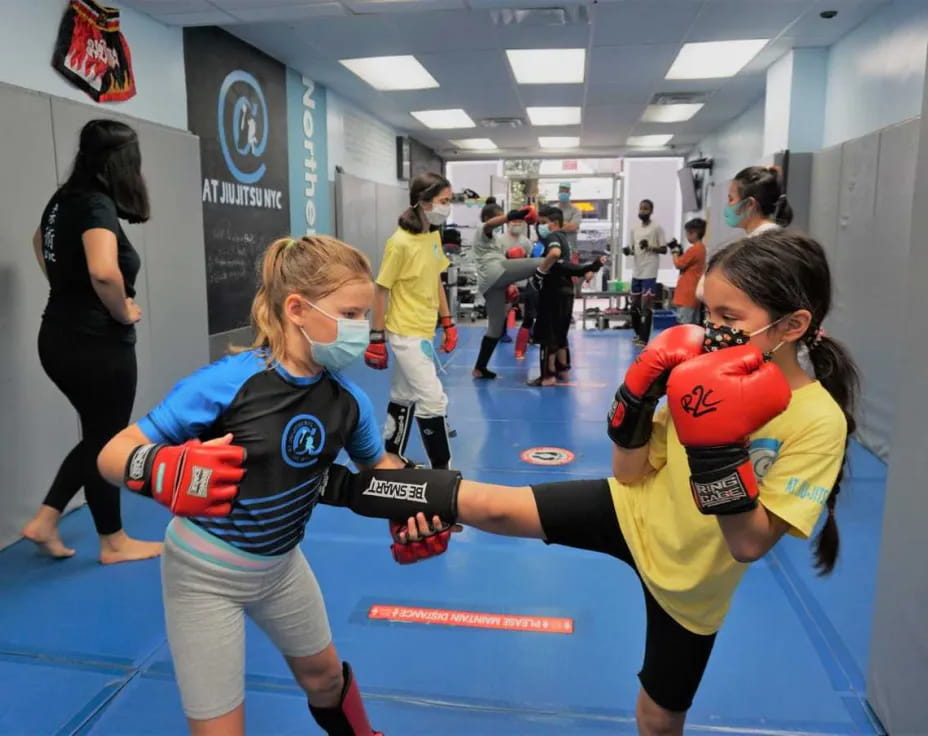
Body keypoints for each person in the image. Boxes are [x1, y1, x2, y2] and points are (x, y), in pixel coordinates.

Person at [328, 229, 858, 735]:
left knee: (657, 720)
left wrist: (716, 446)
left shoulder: (817, 422)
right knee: (491, 506)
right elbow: (629, 474)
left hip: (691, 582)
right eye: (707, 312)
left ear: (791, 325)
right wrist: (639, 398)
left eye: (728, 316)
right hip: (634, 511)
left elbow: (745, 543)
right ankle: (334, 488)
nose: (710, 327)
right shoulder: (701, 371)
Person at [97, 235, 398, 736]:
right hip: (203, 577)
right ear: (298, 309)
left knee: (326, 678)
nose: (360, 330)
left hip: (281, 569)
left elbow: (378, 468)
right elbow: (111, 453)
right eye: (349, 314)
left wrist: (420, 503)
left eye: (364, 316)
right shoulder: (229, 381)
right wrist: (158, 468)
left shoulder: (348, 402)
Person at [21, 119, 161, 564]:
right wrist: (123, 311)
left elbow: (39, 243)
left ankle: (45, 520)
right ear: (120, 163)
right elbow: (104, 271)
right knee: (106, 441)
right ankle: (114, 542)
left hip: (57, 335)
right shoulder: (98, 205)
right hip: (96, 342)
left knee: (97, 435)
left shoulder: (63, 200)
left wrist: (67, 289)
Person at [364, 172, 458, 469]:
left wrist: (448, 321)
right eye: (444, 200)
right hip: (405, 332)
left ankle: (391, 456)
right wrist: (376, 337)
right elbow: (381, 289)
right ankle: (442, 468)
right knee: (433, 399)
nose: (448, 206)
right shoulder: (399, 243)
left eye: (449, 200)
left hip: (424, 329)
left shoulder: (432, 236)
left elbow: (436, 280)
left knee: (403, 394)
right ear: (424, 202)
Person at [528, 206, 605, 386]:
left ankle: (547, 376)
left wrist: (541, 271)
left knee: (548, 335)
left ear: (553, 223)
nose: (540, 227)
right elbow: (566, 265)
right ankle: (562, 370)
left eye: (543, 223)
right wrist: (586, 268)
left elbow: (554, 256)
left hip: (553, 291)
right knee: (561, 334)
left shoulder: (553, 237)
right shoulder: (565, 239)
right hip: (566, 291)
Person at [470, 202, 543, 378]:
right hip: (494, 271)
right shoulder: (482, 230)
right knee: (542, 262)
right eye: (500, 217)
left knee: (495, 327)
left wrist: (509, 284)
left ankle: (479, 368)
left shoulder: (496, 239)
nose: (504, 221)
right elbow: (490, 224)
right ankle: (578, 269)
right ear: (489, 217)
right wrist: (514, 215)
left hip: (492, 283)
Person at [623, 199, 666, 347]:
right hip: (637, 270)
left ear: (651, 211)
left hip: (650, 270)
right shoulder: (634, 229)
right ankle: (637, 333)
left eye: (646, 209)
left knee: (646, 305)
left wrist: (650, 247)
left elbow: (664, 249)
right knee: (634, 305)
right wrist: (627, 251)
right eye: (641, 209)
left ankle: (644, 338)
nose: (642, 211)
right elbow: (632, 249)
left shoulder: (657, 228)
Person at [670, 218, 707, 325]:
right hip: (693, 293)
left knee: (684, 325)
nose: (687, 236)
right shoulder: (701, 248)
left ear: (694, 233)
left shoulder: (694, 249)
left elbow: (678, 264)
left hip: (687, 294)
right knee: (693, 326)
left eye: (688, 233)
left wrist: (674, 251)